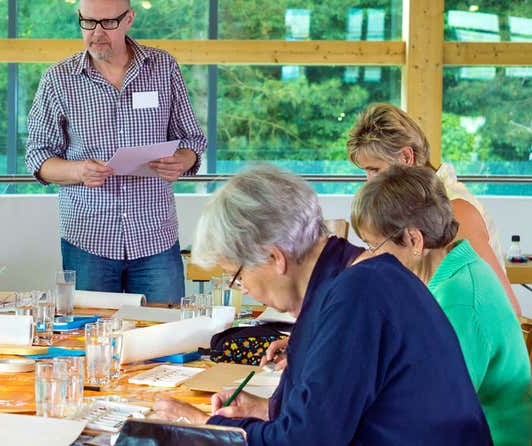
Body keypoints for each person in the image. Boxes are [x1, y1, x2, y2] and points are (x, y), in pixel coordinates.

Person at [151, 164, 490, 445]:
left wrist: (203, 427)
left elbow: (306, 441)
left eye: (236, 276)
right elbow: (327, 411)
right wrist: (264, 410)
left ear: (274, 258)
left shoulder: (357, 295)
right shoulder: (349, 280)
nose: (247, 290)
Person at [24, 0, 206, 303]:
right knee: (87, 335)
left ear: (129, 19)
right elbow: (38, 157)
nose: (97, 33)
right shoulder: (57, 79)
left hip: (154, 235)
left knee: (165, 333)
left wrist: (182, 161)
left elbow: (192, 139)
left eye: (108, 23)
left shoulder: (163, 67)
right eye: (88, 23)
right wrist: (78, 171)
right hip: (89, 238)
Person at [351, 165, 532, 446]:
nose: (370, 257)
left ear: (414, 240)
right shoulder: (452, 267)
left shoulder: (459, 300)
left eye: (374, 245)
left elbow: (431, 413)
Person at [347, 103, 520, 316]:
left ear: (407, 157)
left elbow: (506, 308)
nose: (369, 183)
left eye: (375, 170)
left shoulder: (455, 210)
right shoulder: (420, 205)